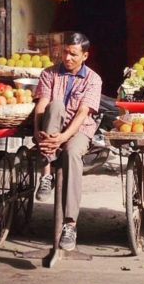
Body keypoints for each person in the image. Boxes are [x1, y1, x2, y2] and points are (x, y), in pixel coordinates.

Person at [32, 31, 102, 251]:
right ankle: (46, 175)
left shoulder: (93, 79)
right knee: (55, 105)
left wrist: (63, 137)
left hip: (79, 129)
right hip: (51, 127)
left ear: (85, 56)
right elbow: (42, 106)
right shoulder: (48, 73)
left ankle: (70, 225)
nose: (67, 58)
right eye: (65, 53)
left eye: (73, 54)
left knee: (72, 153)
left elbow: (83, 113)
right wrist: (37, 132)